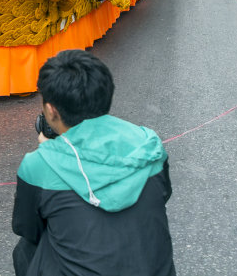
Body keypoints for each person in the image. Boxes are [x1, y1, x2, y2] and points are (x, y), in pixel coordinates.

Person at [12, 49, 176, 276]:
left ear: (51, 111)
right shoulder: (149, 143)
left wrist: (50, 151)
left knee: (25, 250)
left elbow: (28, 228)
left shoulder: (38, 164)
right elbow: (163, 194)